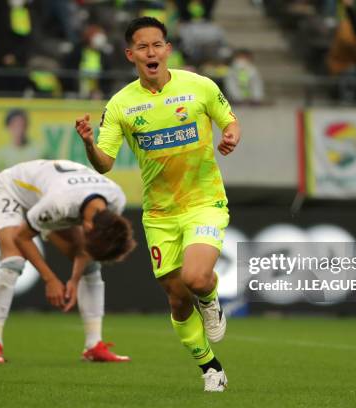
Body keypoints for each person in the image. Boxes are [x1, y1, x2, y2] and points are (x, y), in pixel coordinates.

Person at [75, 17, 241, 392]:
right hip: (160, 213)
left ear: (167, 49)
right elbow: (105, 163)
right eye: (143, 47)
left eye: (157, 45)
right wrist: (88, 143)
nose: (151, 52)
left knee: (196, 279)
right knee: (178, 299)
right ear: (130, 54)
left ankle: (211, 300)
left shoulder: (199, 86)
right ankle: (210, 368)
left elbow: (230, 121)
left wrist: (230, 134)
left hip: (204, 200)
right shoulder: (121, 105)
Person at [0, 159, 136, 364]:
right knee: (13, 261)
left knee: (90, 266)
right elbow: (22, 237)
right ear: (88, 228)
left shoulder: (116, 198)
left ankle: (94, 345)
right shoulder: (59, 203)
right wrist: (50, 279)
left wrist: (74, 279)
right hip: (13, 188)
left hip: (55, 195)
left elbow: (87, 249)